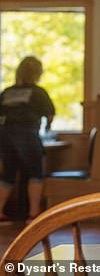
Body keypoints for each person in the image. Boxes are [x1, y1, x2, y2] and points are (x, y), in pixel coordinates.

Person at [0, 56, 55, 225]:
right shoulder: (38, 92)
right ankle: (33, 214)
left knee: (7, 174)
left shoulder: (7, 92)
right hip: (27, 134)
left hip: (5, 134)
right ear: (37, 73)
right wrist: (46, 129)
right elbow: (50, 113)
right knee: (35, 172)